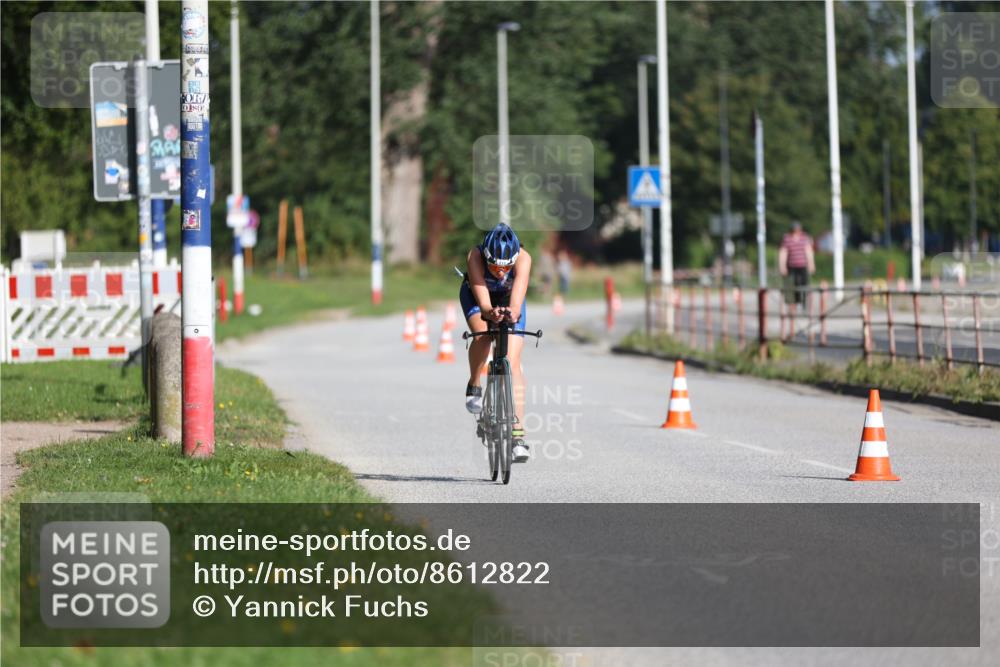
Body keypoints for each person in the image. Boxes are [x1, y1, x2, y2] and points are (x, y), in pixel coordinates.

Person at [460, 223, 533, 462]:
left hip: (508, 297)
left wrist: (512, 313)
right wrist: (490, 312)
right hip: (477, 295)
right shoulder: (475, 255)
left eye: (506, 268)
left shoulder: (523, 259)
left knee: (512, 362)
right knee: (482, 335)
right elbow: (483, 305)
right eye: (495, 267)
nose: (501, 272)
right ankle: (474, 383)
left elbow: (517, 300)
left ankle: (518, 437)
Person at [779, 221, 815, 334]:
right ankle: (793, 305)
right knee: (791, 287)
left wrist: (811, 264)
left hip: (802, 266)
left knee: (804, 285)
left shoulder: (805, 238)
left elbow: (808, 251)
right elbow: (783, 252)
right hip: (792, 267)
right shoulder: (787, 239)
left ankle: (803, 303)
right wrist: (782, 266)